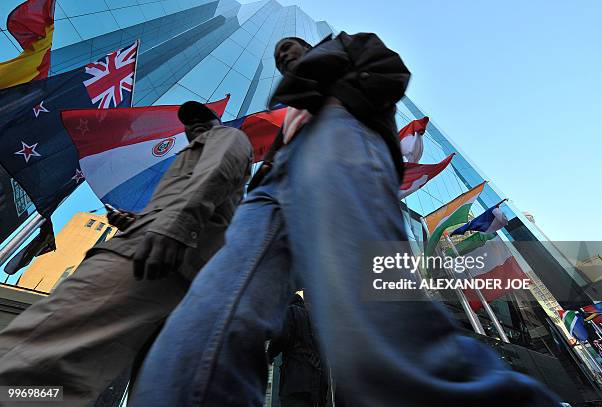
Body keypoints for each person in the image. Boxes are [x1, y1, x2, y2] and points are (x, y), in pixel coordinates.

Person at [131, 33, 560, 406]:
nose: (284, 58)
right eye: (279, 57)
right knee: (208, 316)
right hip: (273, 186)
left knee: (371, 327)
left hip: (341, 140)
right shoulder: (289, 113)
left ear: (311, 48)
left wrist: (336, 96)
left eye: (290, 49)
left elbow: (390, 72)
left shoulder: (347, 51)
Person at [0, 102, 253, 405]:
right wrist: (135, 220)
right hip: (162, 259)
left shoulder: (225, 138)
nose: (193, 126)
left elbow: (217, 175)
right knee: (74, 372)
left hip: (144, 258)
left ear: (216, 122)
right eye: (190, 122)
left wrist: (174, 225)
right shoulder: (190, 157)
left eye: (202, 120)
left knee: (41, 347)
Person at [268, 293, 328, 407]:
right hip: (316, 386)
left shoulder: (290, 311)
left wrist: (268, 356)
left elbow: (280, 336)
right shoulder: (315, 320)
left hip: (295, 381)